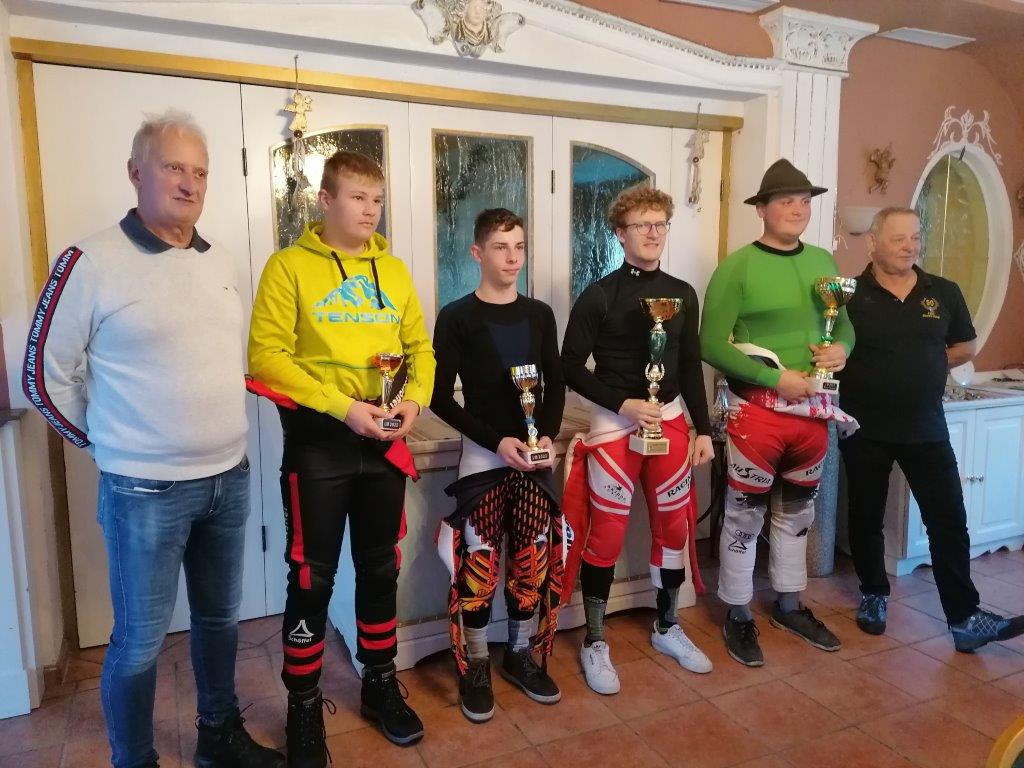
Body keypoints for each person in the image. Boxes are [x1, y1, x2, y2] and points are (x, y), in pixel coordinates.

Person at [22, 110, 283, 768]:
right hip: (143, 490)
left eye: (201, 172)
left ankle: (218, 738)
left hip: (228, 477)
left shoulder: (220, 260)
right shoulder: (89, 262)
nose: (190, 183)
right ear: (136, 172)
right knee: (139, 641)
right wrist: (109, 446)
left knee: (219, 621)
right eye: (173, 167)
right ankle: (134, 759)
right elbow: (42, 376)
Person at [248, 151, 435, 762]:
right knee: (312, 577)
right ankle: (303, 706)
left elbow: (420, 350)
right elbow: (266, 358)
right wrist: (342, 407)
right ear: (325, 200)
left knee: (380, 568)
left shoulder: (394, 271)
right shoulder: (288, 267)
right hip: (318, 443)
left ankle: (379, 683)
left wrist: (414, 401)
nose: (370, 210)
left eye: (377, 199)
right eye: (357, 197)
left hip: (384, 440)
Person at [838, 206, 1024, 651]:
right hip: (865, 427)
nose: (910, 246)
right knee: (866, 517)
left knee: (949, 521)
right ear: (873, 243)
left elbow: (966, 345)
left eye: (916, 237)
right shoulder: (850, 296)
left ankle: (964, 618)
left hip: (926, 426)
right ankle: (873, 594)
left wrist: (925, 362)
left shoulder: (943, 292)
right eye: (898, 238)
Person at [700, 159, 857, 667]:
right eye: (786, 201)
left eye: (805, 202)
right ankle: (738, 611)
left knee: (797, 513)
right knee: (744, 515)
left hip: (813, 415)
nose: (797, 210)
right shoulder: (737, 267)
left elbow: (844, 325)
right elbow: (709, 344)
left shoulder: (823, 260)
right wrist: (774, 379)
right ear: (762, 210)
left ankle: (789, 604)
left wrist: (843, 349)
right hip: (758, 412)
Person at [561, 183, 714, 696]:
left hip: (669, 421)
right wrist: (622, 403)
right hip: (615, 424)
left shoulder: (682, 293)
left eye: (660, 224)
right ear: (620, 234)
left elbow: (689, 363)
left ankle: (667, 626)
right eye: (641, 224)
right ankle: (594, 640)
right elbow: (568, 366)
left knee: (673, 529)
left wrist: (703, 428)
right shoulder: (599, 294)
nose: (652, 233)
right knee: (605, 532)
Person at [432, 208, 567, 723]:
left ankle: (518, 652)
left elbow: (554, 382)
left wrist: (546, 436)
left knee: (531, 561)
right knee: (480, 567)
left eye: (519, 247)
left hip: (534, 462)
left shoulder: (540, 314)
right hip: (483, 460)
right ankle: (477, 664)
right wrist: (497, 441)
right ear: (477, 253)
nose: (512, 258)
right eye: (500, 247)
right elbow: (440, 398)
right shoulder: (457, 317)